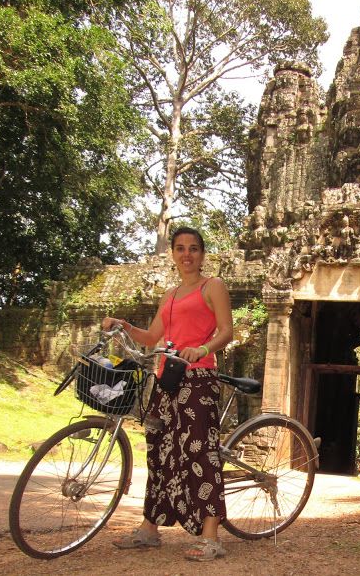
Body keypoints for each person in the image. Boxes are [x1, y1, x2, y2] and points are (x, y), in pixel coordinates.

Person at [102, 227, 233, 561]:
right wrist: (125, 326)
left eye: (193, 248)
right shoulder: (170, 295)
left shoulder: (212, 286)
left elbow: (227, 331)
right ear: (172, 253)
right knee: (160, 452)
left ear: (203, 254)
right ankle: (149, 528)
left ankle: (211, 537)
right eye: (180, 248)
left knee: (199, 452)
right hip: (167, 378)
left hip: (199, 376)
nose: (186, 254)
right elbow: (153, 336)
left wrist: (202, 347)